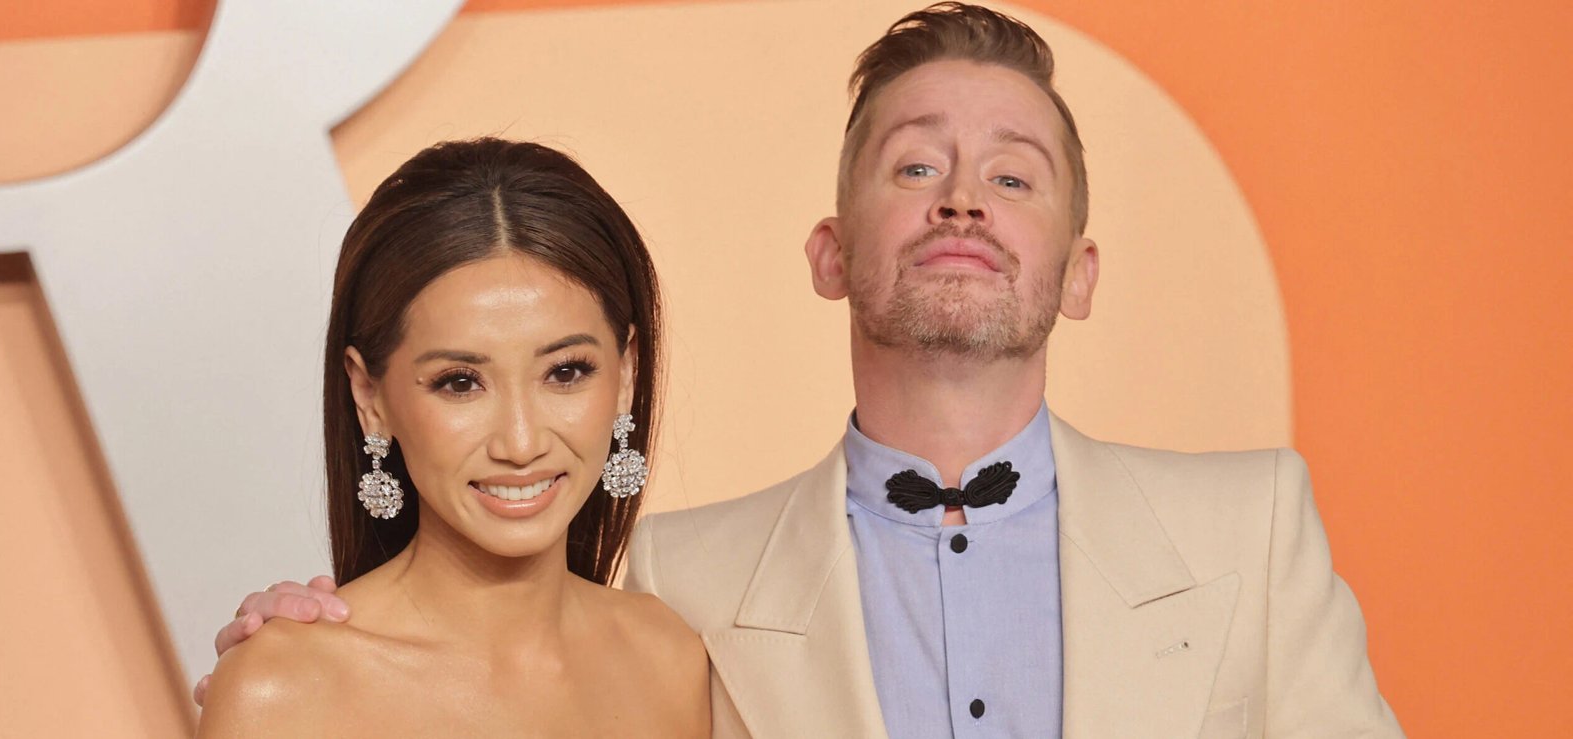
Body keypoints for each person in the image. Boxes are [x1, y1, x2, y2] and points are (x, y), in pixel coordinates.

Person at [200, 4, 1404, 737]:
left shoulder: (1250, 527)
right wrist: (297, 655)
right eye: (915, 168)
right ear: (828, 253)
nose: (964, 200)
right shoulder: (685, 590)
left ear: (1082, 274)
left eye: (1013, 176)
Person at [195, 138, 709, 737]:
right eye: (460, 382)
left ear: (626, 374)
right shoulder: (282, 691)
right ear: (369, 396)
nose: (520, 443)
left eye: (566, 372)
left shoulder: (670, 658)